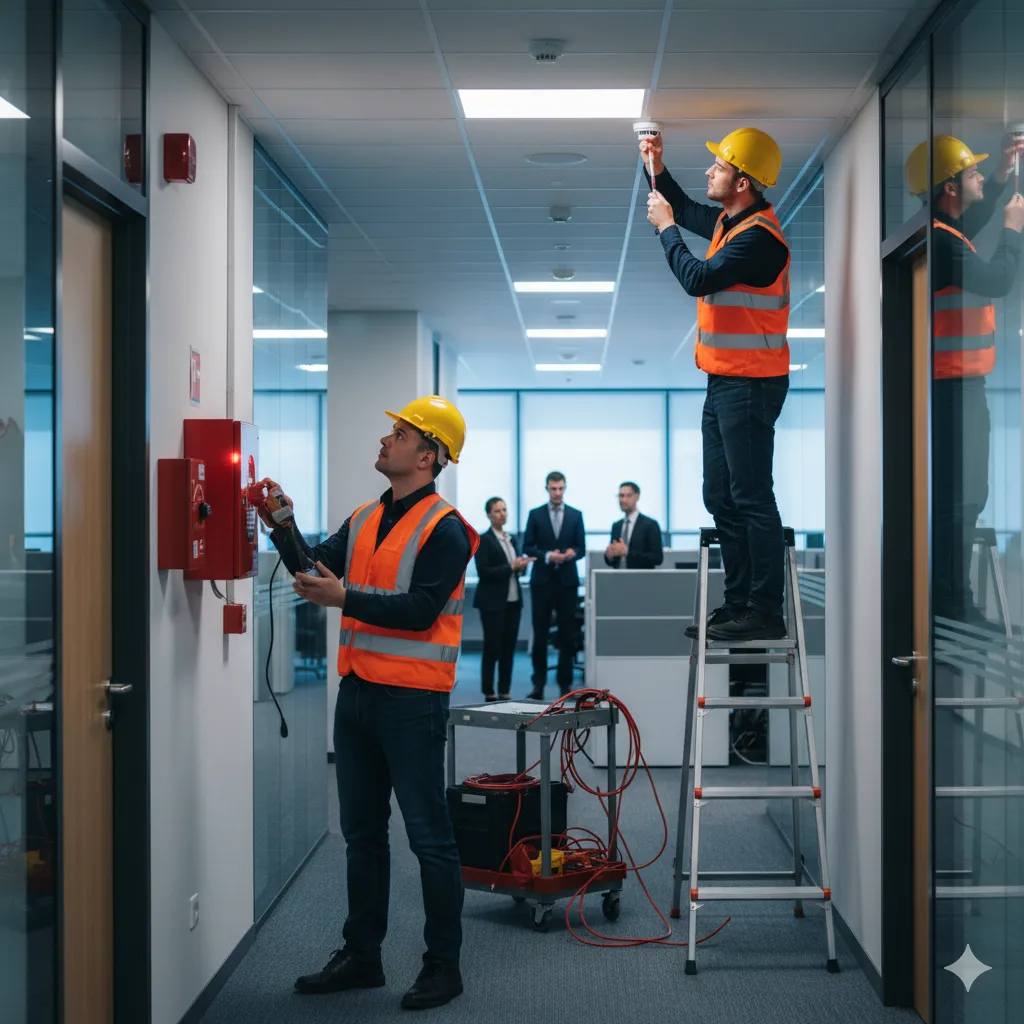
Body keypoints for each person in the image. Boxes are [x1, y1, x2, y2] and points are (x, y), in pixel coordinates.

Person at [259, 395, 478, 1012]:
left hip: (411, 702)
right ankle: (363, 956)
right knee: (361, 833)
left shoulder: (448, 530)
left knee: (428, 838)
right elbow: (310, 571)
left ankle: (444, 965)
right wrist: (282, 524)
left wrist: (344, 598)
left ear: (429, 456)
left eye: (402, 433)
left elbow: (419, 610)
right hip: (356, 695)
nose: (388, 439)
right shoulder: (363, 516)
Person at [643, 127, 791, 642]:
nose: (710, 171)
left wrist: (666, 231)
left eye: (719, 167)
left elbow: (696, 278)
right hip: (725, 381)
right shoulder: (732, 222)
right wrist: (654, 164)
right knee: (721, 496)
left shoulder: (759, 241)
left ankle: (765, 611)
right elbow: (681, 205)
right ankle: (737, 603)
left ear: (743, 182)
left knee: (750, 496)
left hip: (752, 383)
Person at [905, 134, 1024, 625]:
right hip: (955, 387)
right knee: (963, 499)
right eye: (972, 173)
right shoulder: (945, 243)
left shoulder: (943, 232)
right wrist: (1015, 231)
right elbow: (996, 279)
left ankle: (954, 600)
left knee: (964, 498)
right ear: (949, 188)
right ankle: (953, 604)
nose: (978, 177)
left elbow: (971, 222)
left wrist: (1000, 176)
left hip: (957, 386)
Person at [522, 472, 586, 698]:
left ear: (565, 488)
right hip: (543, 581)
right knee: (540, 633)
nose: (557, 493)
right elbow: (527, 546)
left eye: (560, 488)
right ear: (547, 489)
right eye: (553, 489)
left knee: (567, 634)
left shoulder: (576, 515)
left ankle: (565, 684)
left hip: (567, 582)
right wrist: (548, 556)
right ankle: (538, 684)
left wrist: (572, 553)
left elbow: (582, 548)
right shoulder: (535, 515)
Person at [473, 497, 534, 701]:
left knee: (509, 647)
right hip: (492, 603)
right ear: (489, 515)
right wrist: (511, 567)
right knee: (492, 647)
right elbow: (484, 572)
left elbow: (515, 571)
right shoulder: (484, 540)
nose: (502, 514)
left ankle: (505, 690)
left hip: (513, 602)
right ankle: (489, 691)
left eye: (504, 510)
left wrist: (521, 567)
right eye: (497, 511)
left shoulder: (512, 539)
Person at [605, 481, 664, 569]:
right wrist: (609, 555)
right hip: (618, 579)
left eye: (628, 496)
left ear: (637, 497)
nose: (623, 500)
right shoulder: (617, 526)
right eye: (621, 496)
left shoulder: (650, 525)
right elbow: (613, 562)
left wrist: (628, 552)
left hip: (641, 579)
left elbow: (657, 558)